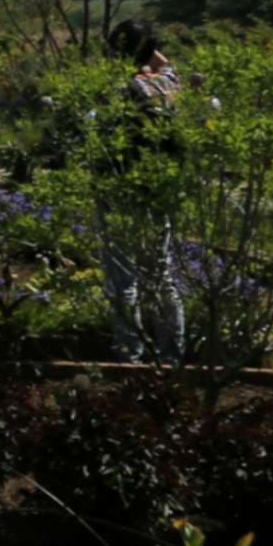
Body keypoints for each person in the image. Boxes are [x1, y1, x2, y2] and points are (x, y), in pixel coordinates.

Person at [98, 20, 186, 362]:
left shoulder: (122, 88)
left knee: (124, 281)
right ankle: (171, 355)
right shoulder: (168, 84)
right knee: (161, 276)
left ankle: (129, 357)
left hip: (121, 190)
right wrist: (148, 49)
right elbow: (165, 64)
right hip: (159, 190)